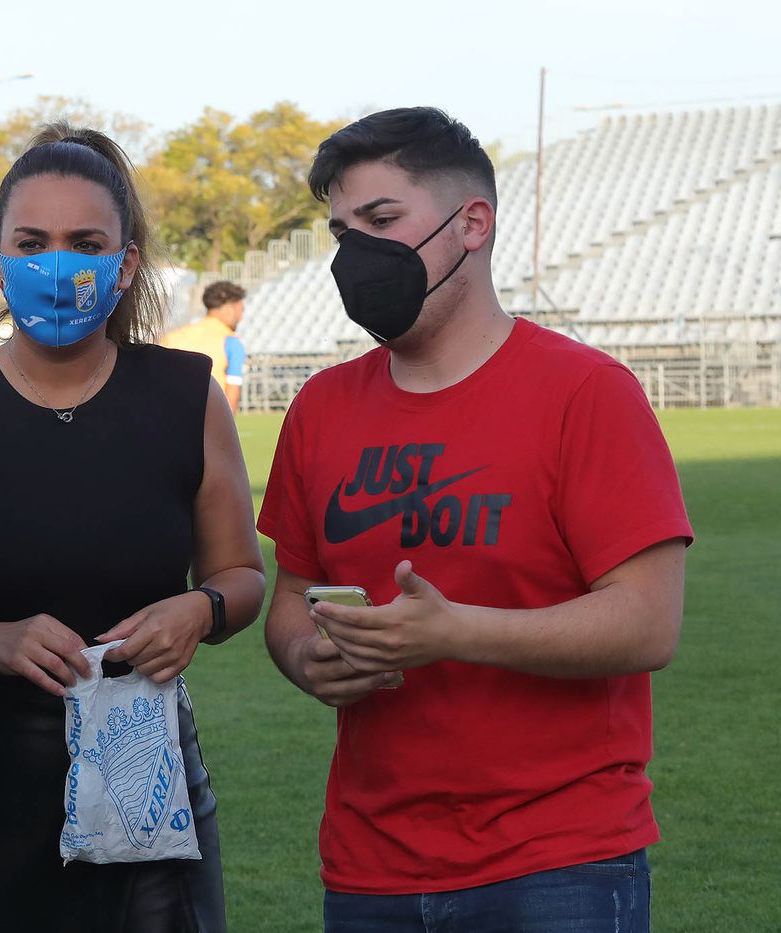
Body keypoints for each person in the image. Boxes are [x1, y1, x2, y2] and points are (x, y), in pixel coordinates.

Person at [255, 107, 694, 932]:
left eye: (382, 221)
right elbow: (292, 597)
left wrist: (454, 632)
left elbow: (647, 622)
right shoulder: (320, 408)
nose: (358, 253)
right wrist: (306, 656)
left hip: (559, 861)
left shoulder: (586, 392)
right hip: (368, 865)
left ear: (472, 225)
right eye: (341, 232)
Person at [0, 124, 267, 933]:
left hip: (145, 776)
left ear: (125, 263)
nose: (58, 263)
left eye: (85, 242)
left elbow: (242, 577)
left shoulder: (188, 397)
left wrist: (202, 610)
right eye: (32, 242)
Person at [162, 281, 247, 411]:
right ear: (230, 308)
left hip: (168, 415)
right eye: (241, 309)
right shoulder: (231, 343)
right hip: (208, 420)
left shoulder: (171, 336)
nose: (241, 317)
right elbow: (232, 395)